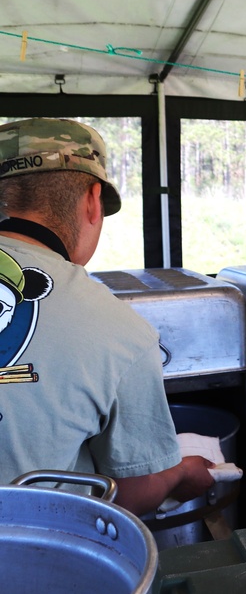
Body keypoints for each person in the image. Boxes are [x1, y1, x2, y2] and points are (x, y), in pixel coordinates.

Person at [0, 118, 215, 516]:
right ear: (92, 201)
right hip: (28, 564)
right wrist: (179, 473)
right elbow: (130, 495)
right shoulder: (117, 330)